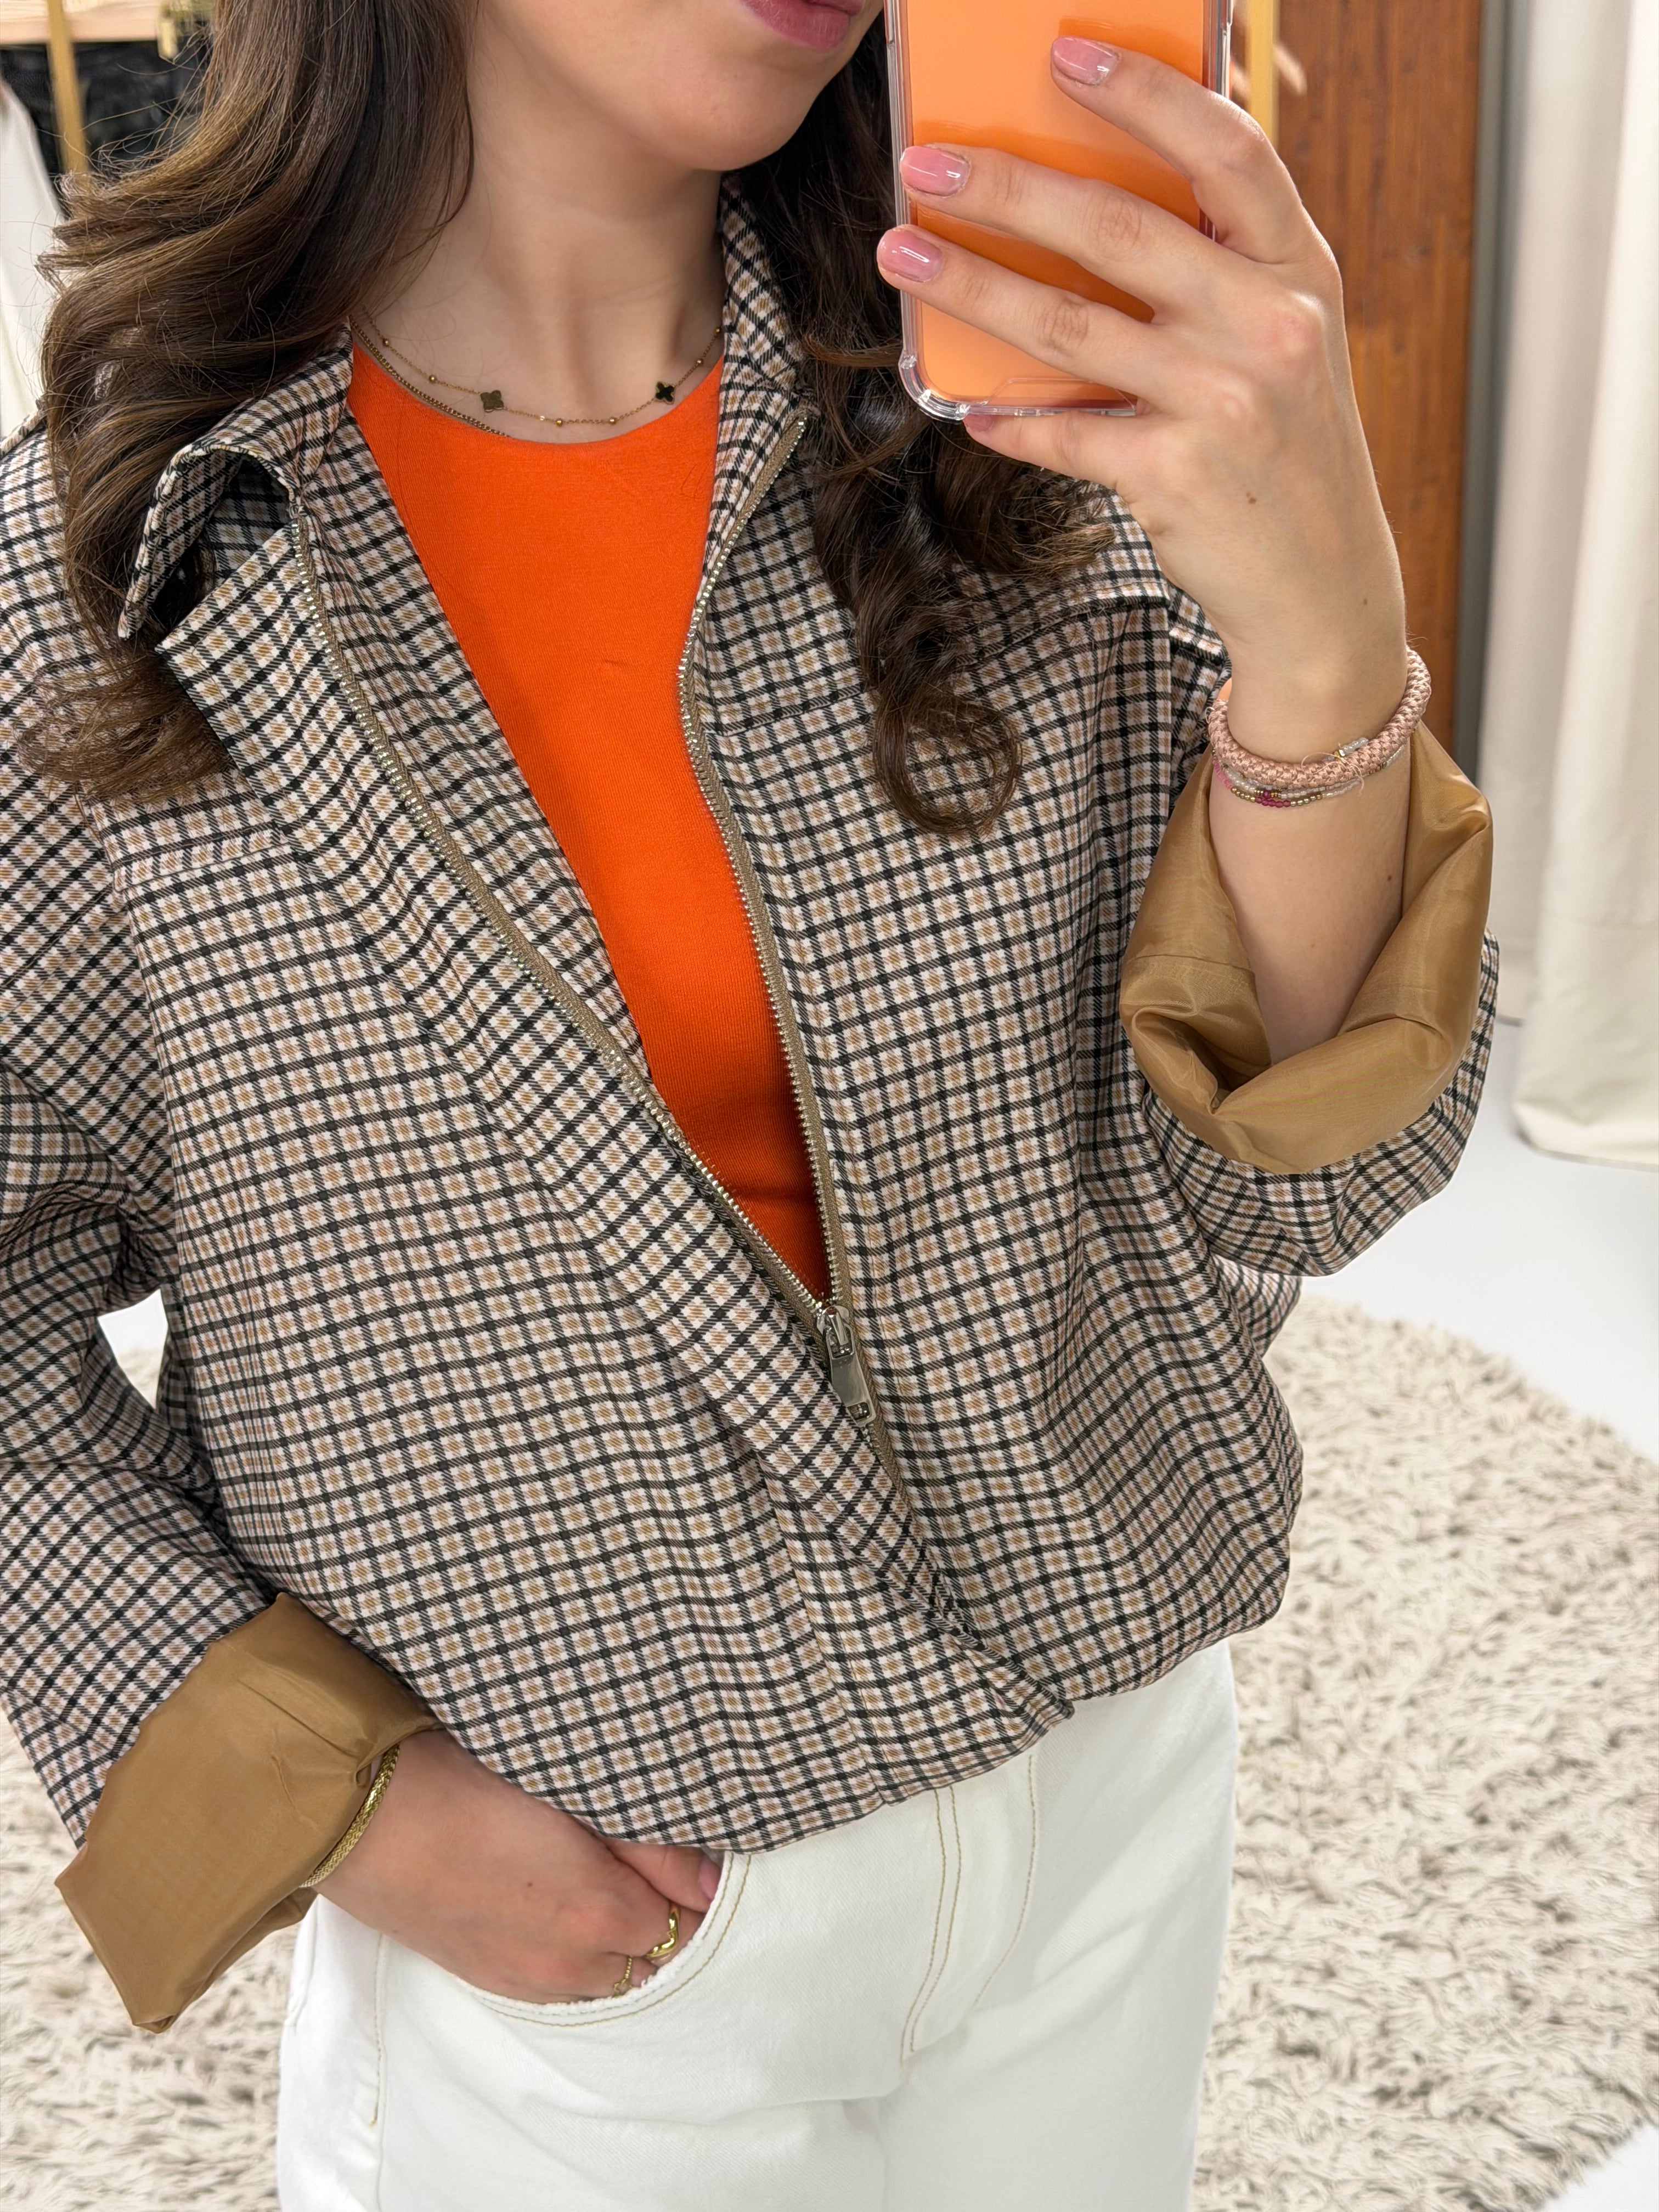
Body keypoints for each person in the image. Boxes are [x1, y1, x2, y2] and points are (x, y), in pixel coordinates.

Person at [0, 2, 1493, 2207]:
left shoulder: (1032, 438)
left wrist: (1331, 647)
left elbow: (1294, 1180)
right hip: (601, 1929)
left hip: (1108, 1791)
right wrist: (324, 1794)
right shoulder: (112, 584)